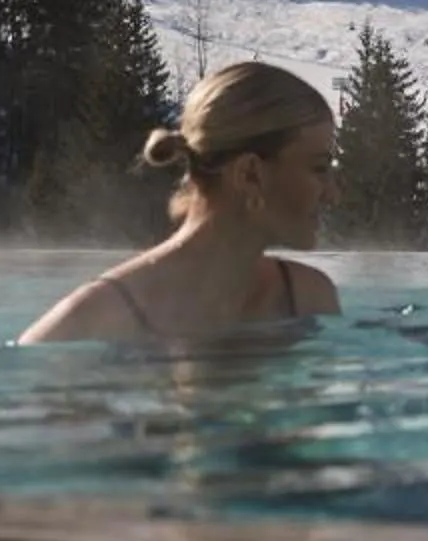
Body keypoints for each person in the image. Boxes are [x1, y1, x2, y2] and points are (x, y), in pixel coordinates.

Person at [18, 60, 342, 343]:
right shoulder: (90, 322)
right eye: (319, 168)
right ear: (249, 174)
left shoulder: (307, 297)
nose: (332, 193)